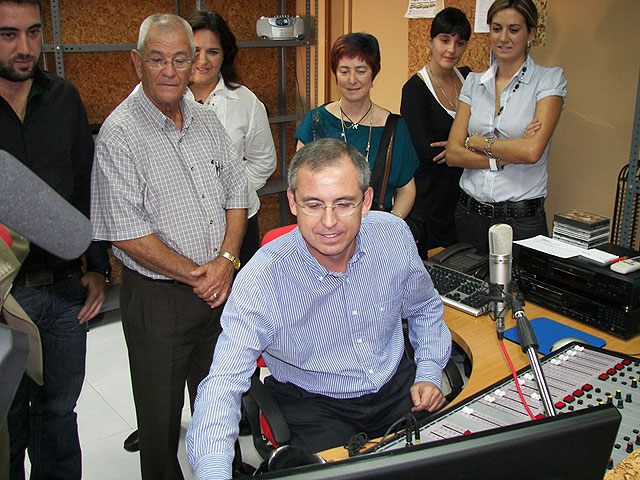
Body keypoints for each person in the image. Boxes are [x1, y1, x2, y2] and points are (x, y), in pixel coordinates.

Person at [187, 137, 452, 479]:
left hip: (397, 387)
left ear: (367, 201)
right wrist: (212, 471)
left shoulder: (393, 236)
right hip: (315, 405)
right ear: (293, 202)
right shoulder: (263, 278)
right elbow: (222, 382)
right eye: (314, 204)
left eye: (343, 203)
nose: (329, 222)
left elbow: (425, 307)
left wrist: (429, 371)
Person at [90, 13, 248, 479]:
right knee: (159, 420)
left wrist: (226, 260)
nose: (168, 71)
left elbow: (238, 192)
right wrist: (200, 275)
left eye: (180, 59)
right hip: (158, 300)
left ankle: (224, 472)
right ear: (136, 62)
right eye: (156, 59)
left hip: (217, 289)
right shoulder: (119, 134)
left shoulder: (204, 119)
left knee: (218, 400)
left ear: (193, 61)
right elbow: (125, 232)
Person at [0, 1, 110, 478]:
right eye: (7, 35)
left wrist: (97, 269)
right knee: (7, 421)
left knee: (59, 415)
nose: (24, 48)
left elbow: (88, 187)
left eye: (32, 32)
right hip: (6, 297)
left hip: (66, 292)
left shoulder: (64, 98)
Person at [445, 0, 566, 253]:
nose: (503, 38)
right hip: (469, 214)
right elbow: (453, 154)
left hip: (521, 222)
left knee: (521, 294)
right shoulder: (474, 83)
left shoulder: (548, 80)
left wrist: (476, 141)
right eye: (497, 28)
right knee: (468, 291)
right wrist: (503, 156)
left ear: (531, 33)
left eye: (514, 29)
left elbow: (531, 152)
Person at [185, 9, 276, 266]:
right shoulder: (166, 98)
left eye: (212, 51)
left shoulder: (245, 101)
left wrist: (232, 192)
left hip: (239, 224)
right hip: (184, 226)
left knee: (237, 300)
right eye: (195, 50)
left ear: (225, 55)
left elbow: (263, 162)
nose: (202, 60)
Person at [295, 33, 418, 217]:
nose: (352, 80)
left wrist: (392, 224)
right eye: (344, 71)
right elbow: (299, 183)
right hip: (325, 227)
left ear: (373, 74)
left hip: (377, 229)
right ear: (335, 74)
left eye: (361, 71)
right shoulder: (316, 121)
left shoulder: (394, 127)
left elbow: (407, 190)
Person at [401, 8, 471, 257]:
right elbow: (427, 152)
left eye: (459, 43)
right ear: (430, 41)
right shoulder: (415, 90)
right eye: (444, 40)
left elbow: (490, 132)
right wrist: (474, 148)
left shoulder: (469, 79)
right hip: (430, 204)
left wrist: (459, 147)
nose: (451, 49)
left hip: (466, 202)